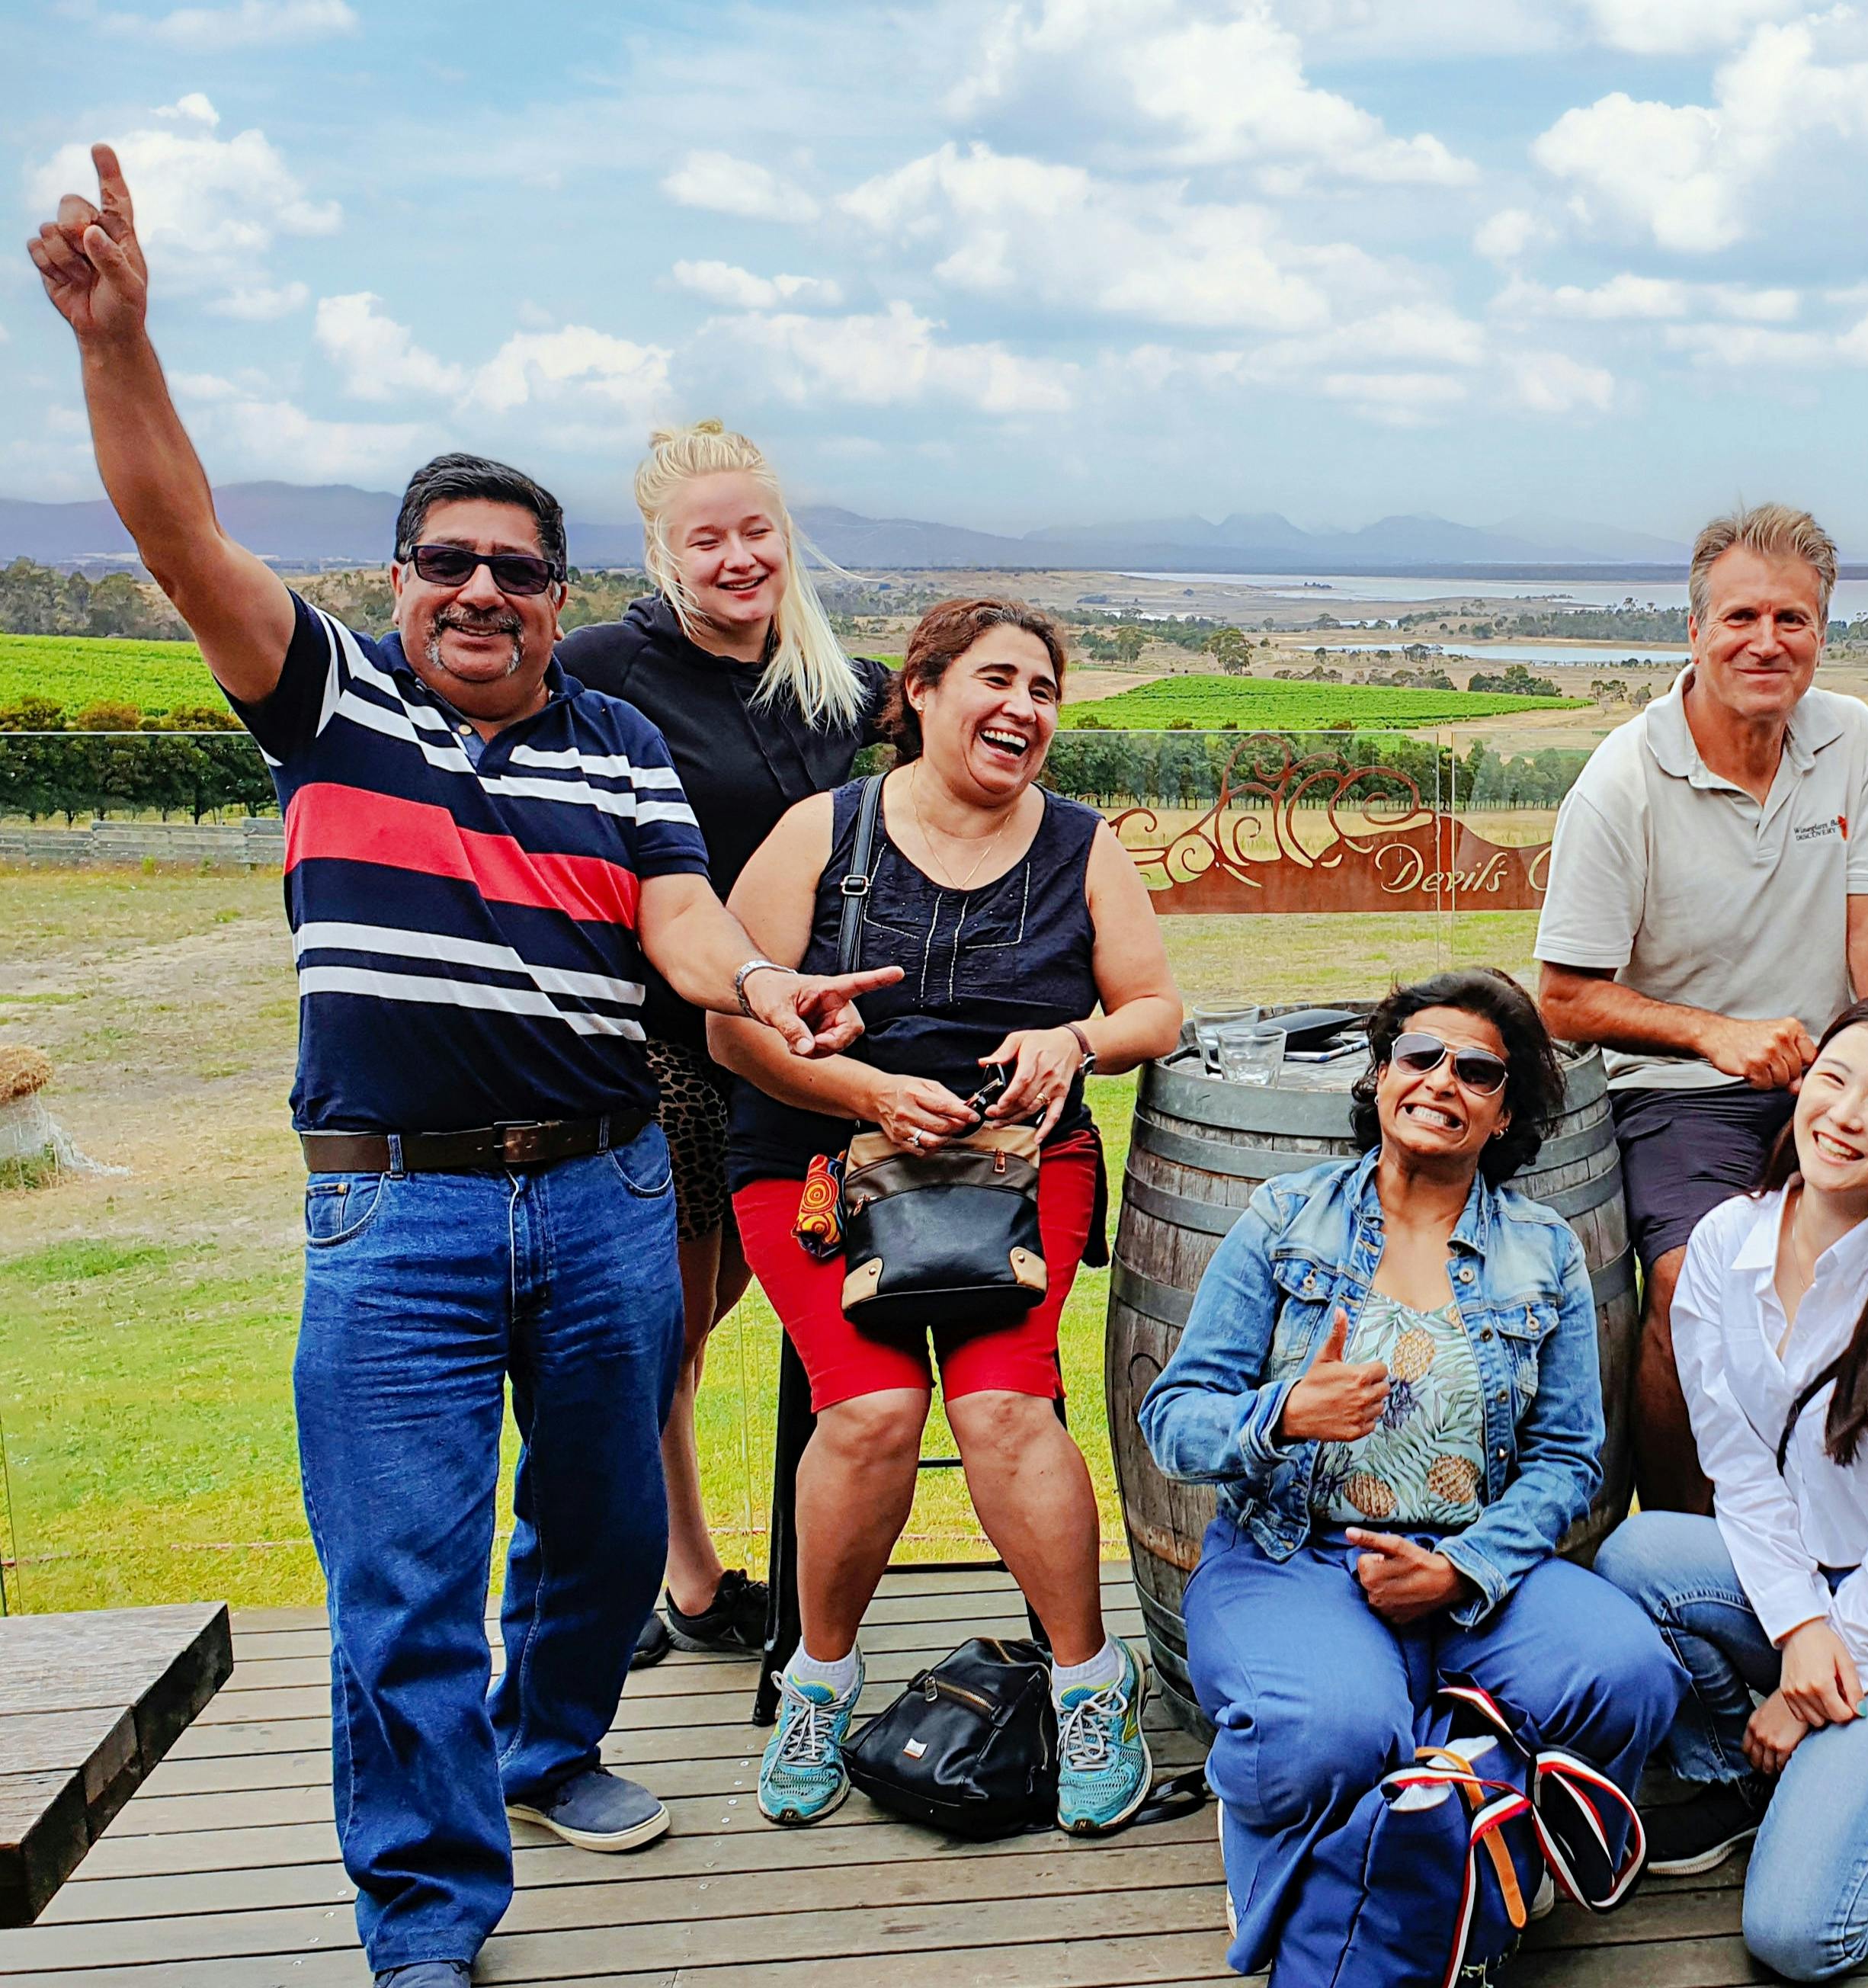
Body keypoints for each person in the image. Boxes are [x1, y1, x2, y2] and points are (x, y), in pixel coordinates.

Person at [27, 149, 896, 1988]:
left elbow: (676, 922)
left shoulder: (617, 745)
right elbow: (178, 532)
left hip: (598, 1191)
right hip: (394, 1215)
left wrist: (762, 982)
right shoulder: (326, 699)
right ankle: (428, 1916)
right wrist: (120, 344)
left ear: (558, 587)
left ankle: (551, 1744)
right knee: (404, 1585)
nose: (482, 590)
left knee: (587, 1531)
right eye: (450, 562)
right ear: (398, 579)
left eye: (517, 566)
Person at [716, 596, 1182, 1833]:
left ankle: (1089, 1684)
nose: (1024, 708)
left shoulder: (1082, 844)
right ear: (918, 691)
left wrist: (1072, 1037)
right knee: (869, 1410)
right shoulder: (820, 830)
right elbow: (729, 1023)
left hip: (1017, 1167)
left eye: (1044, 690)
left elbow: (1153, 1013)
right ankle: (822, 1677)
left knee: (999, 1404)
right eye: (997, 680)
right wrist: (865, 1087)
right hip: (820, 1161)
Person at [1142, 970, 1683, 1982]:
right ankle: (1414, 1836)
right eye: (1419, 1055)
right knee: (1326, 1735)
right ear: (1382, 1076)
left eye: (1477, 1070)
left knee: (1629, 1676)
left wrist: (1464, 1570)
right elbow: (1171, 1422)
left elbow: (1571, 1460)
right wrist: (1282, 1414)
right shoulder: (1284, 1221)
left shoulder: (1540, 1252)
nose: (1442, 1080)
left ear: (1505, 1110)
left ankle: (1453, 1854)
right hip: (1290, 1559)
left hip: (1470, 1569)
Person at [1593, 992, 1868, 1981]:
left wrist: (1827, 1665)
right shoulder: (1724, 1246)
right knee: (1634, 1560)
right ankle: (1745, 1777)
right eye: (1831, 1078)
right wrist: (1798, 1633)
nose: (1844, 1113)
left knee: (1795, 1937)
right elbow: (1737, 1465)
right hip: (1804, 1599)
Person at [559, 420, 891, 1671]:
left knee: (725, 1309)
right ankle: (678, 1577)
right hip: (658, 1052)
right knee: (669, 1325)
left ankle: (663, 1566)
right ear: (661, 550)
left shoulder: (836, 684)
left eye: (757, 531)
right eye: (708, 538)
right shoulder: (603, 667)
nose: (738, 557)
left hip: (799, 1049)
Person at [1537, 504, 1868, 1515]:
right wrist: (1714, 1032)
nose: (1766, 642)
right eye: (1740, 617)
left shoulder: (1852, 739)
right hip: (1678, 1095)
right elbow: (1563, 1000)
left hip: (1826, 1081)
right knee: (1694, 1288)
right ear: (1694, 631)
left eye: (1792, 620)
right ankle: (1679, 1546)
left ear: (1823, 632)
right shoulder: (1622, 782)